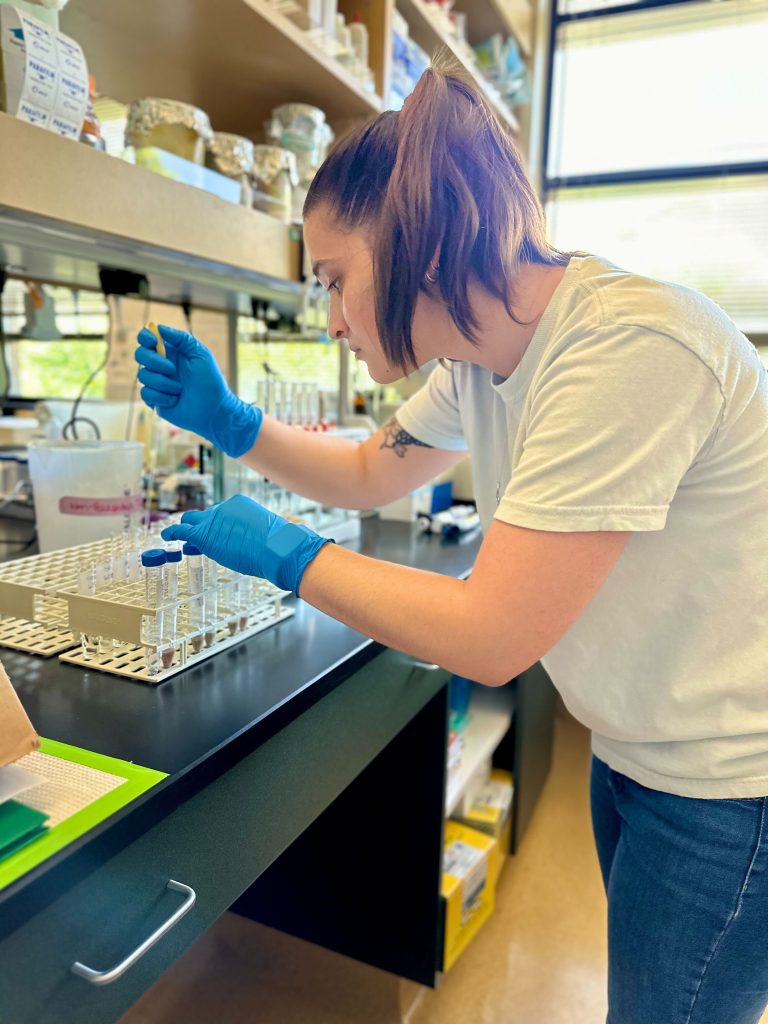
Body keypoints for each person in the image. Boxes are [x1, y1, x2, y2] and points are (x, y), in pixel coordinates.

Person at [134, 63, 768, 1024]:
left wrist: (287, 556)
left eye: (337, 280)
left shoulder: (628, 344)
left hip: (730, 779)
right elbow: (364, 472)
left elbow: (490, 634)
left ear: (418, 235)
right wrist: (234, 422)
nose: (336, 319)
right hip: (640, 745)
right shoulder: (480, 356)